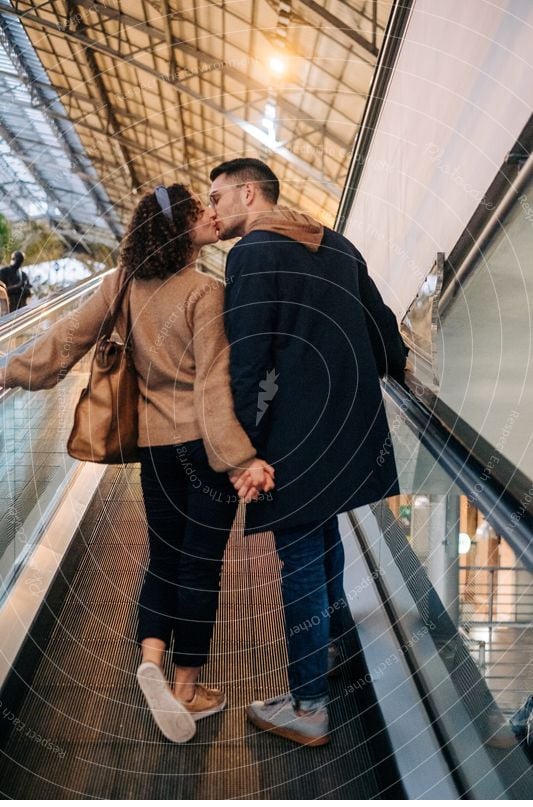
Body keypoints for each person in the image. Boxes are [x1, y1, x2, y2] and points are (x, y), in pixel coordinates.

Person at [0, 183, 274, 743]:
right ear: (180, 228)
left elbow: (66, 338)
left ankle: (151, 654)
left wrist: (8, 371)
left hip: (155, 449)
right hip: (202, 446)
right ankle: (187, 689)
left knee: (164, 556)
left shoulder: (121, 284)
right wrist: (239, 459)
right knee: (200, 565)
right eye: (201, 211)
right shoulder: (205, 293)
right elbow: (213, 390)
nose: (212, 216)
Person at [210, 158, 407, 747]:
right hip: (349, 432)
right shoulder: (338, 245)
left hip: (291, 439)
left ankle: (310, 705)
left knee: (298, 561)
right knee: (322, 546)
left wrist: (244, 452)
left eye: (217, 197)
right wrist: (385, 376)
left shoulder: (250, 254)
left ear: (250, 193)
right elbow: (383, 329)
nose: (213, 210)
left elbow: (247, 359)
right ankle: (335, 658)